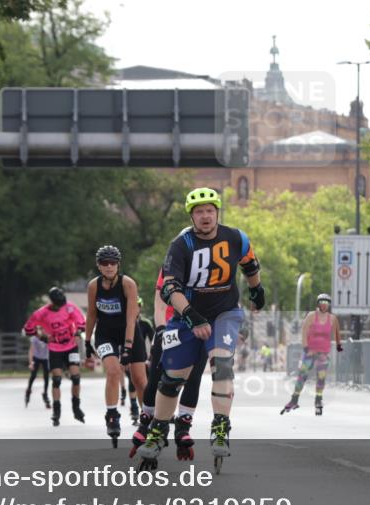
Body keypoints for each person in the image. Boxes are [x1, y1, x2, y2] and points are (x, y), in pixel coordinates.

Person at [138, 187, 265, 471]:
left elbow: (250, 263)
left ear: (218, 212)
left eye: (210, 211)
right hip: (186, 316)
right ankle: (159, 431)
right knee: (172, 379)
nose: (205, 216)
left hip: (225, 313)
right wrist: (192, 317)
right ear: (192, 216)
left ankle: (221, 426)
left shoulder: (235, 237)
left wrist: (257, 289)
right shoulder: (181, 245)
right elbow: (170, 288)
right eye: (199, 212)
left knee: (222, 364)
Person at [130, 268, 206, 461]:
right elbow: (160, 306)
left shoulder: (208, 266)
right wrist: (162, 330)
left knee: (193, 377)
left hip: (198, 327)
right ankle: (147, 422)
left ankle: (183, 426)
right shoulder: (171, 266)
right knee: (158, 375)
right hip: (171, 325)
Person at [84, 245, 148, 446]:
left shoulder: (127, 284)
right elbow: (92, 315)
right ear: (99, 266)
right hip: (105, 334)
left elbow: (131, 320)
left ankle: (148, 419)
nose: (109, 267)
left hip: (129, 332)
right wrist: (87, 341)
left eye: (113, 263)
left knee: (139, 379)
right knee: (112, 371)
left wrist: (128, 348)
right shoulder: (94, 286)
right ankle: (112, 415)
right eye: (105, 263)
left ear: (118, 265)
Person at [23, 286, 87, 427]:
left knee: (76, 377)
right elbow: (28, 328)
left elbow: (81, 322)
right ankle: (56, 410)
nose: (61, 307)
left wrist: (77, 333)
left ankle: (76, 406)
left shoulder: (69, 307)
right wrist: (42, 337)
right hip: (55, 348)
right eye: (58, 305)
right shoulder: (42, 313)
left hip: (71, 347)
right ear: (52, 302)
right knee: (56, 379)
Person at [281, 294, 342, 416]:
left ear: (329, 305)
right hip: (310, 351)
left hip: (323, 352)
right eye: (322, 302)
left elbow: (336, 332)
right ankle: (294, 400)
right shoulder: (311, 316)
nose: (324, 305)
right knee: (302, 375)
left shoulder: (332, 319)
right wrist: (305, 346)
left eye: (326, 302)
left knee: (321, 377)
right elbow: (304, 331)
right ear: (318, 303)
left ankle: (318, 400)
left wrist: (339, 344)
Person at [25, 333, 51, 409]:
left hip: (45, 358)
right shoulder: (34, 338)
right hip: (36, 357)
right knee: (33, 375)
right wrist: (31, 363)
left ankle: (45, 393)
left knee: (46, 376)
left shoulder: (48, 336)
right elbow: (31, 351)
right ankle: (28, 390)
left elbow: (52, 348)